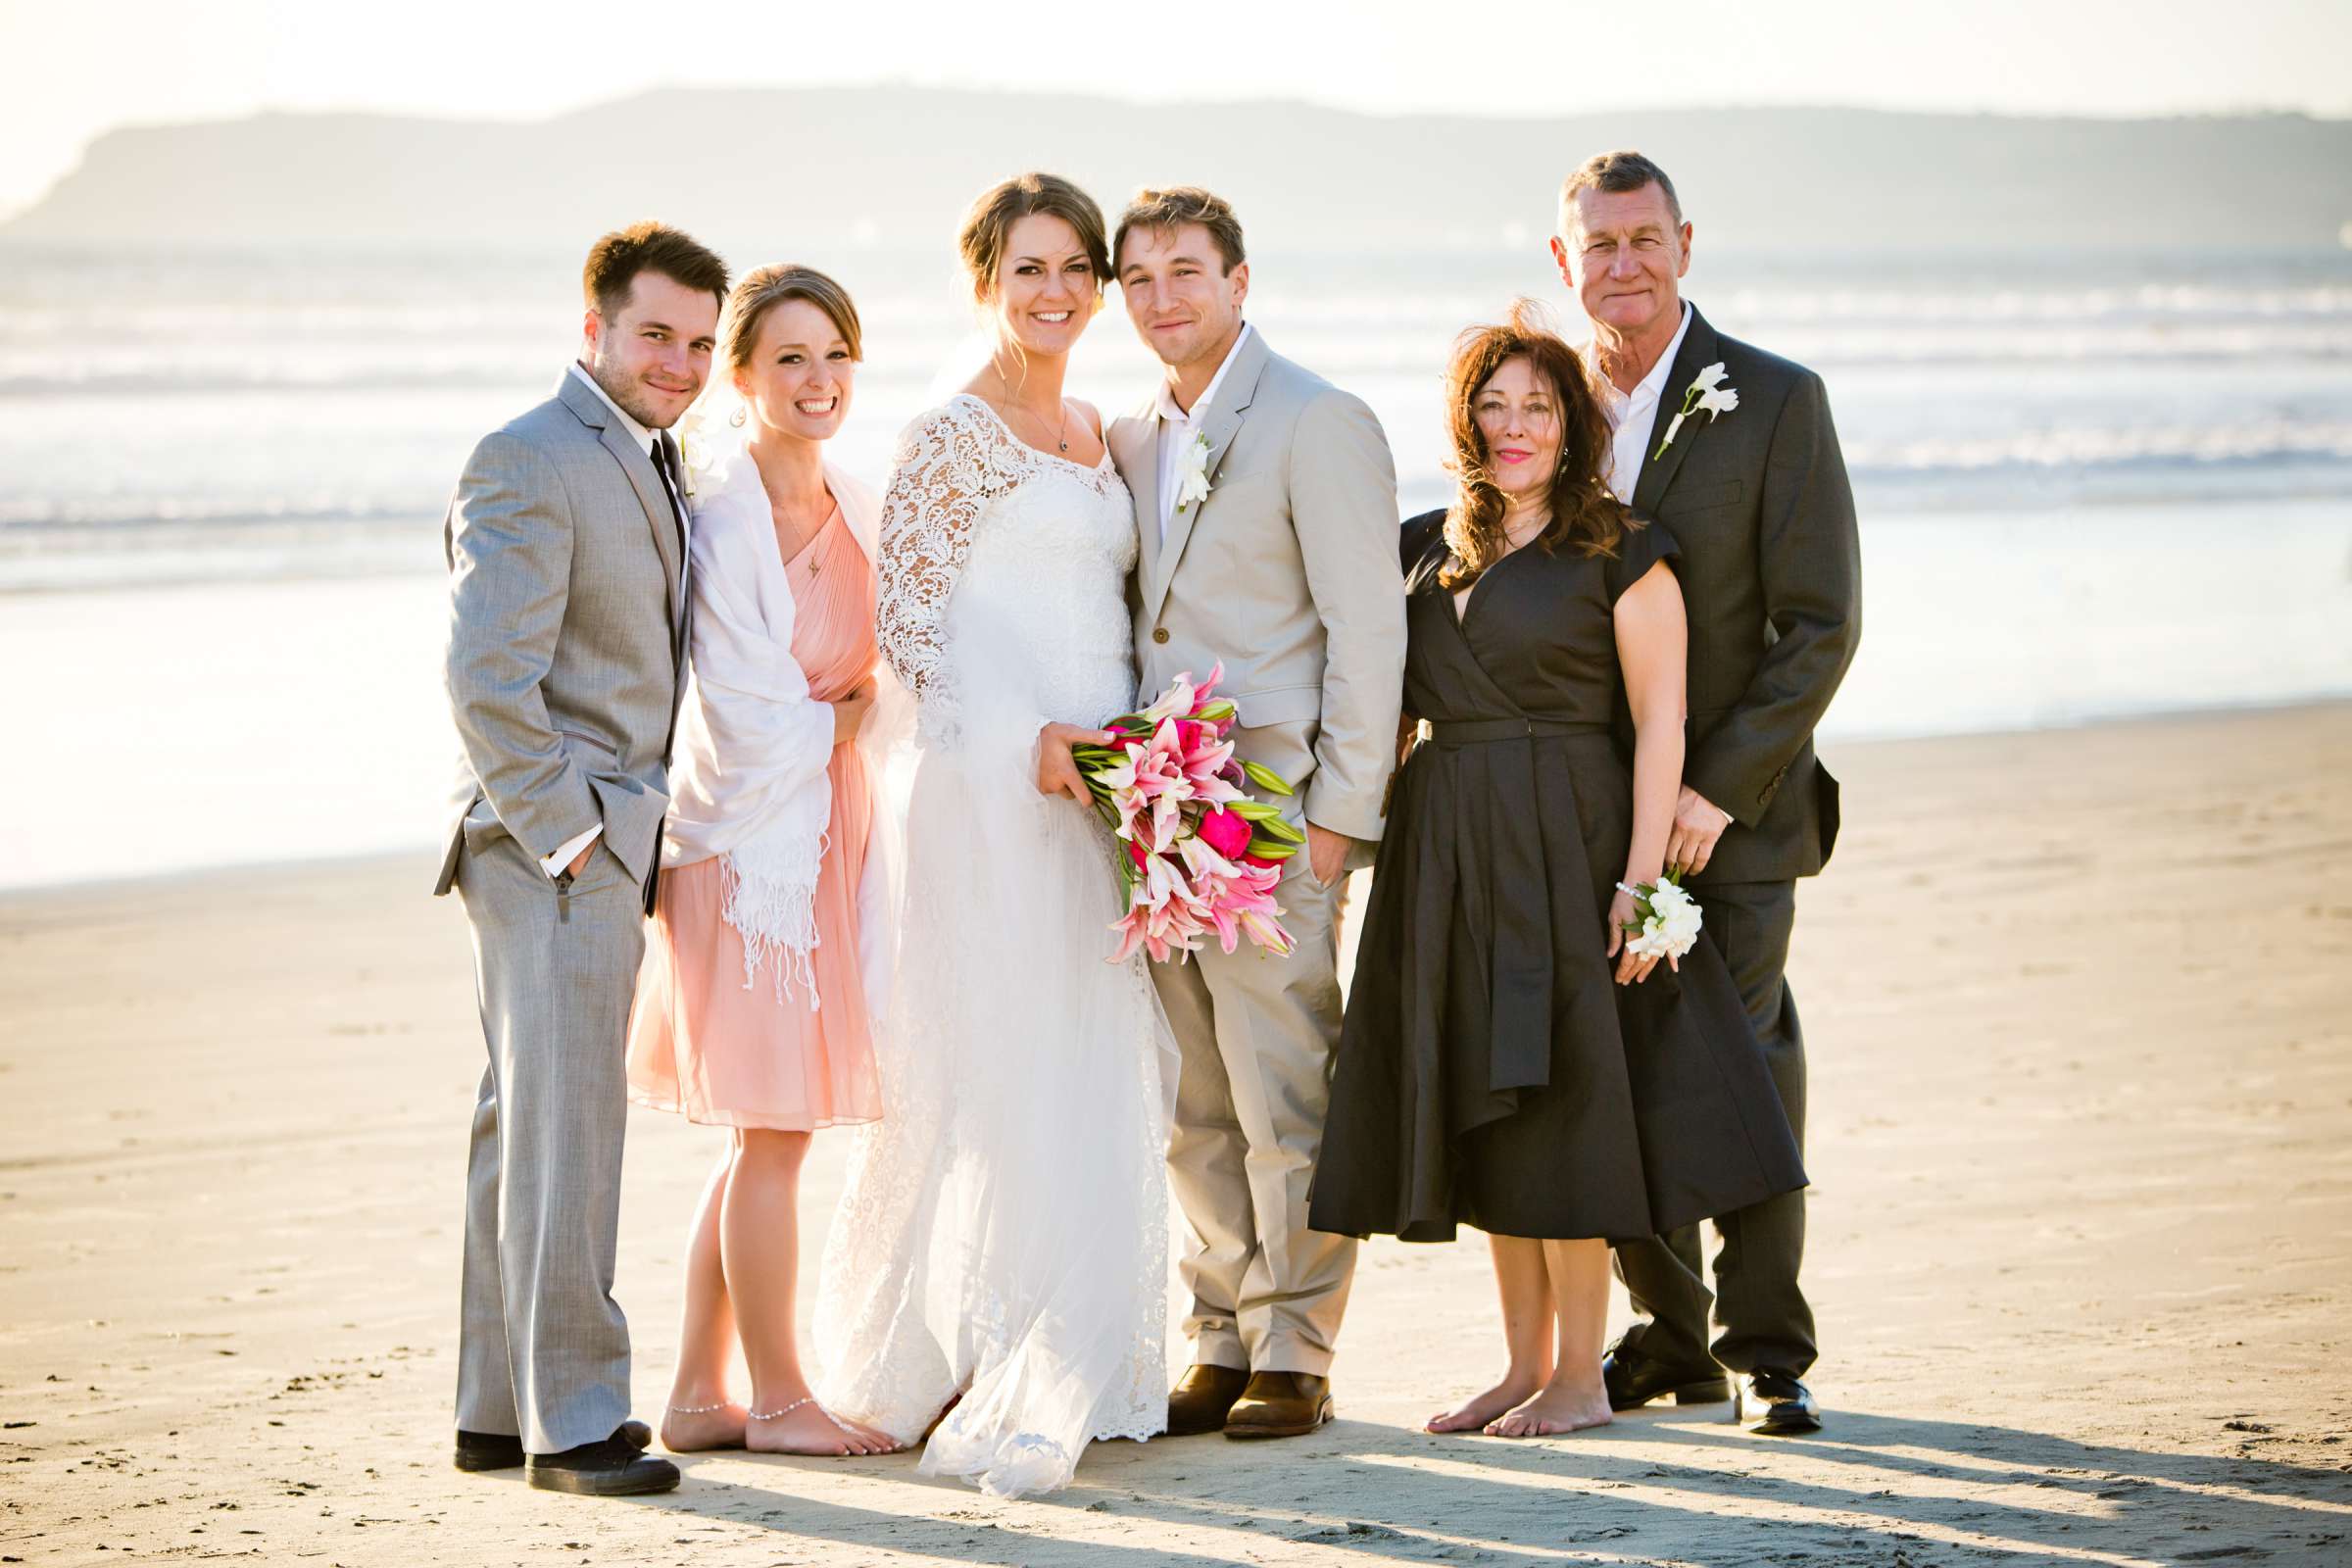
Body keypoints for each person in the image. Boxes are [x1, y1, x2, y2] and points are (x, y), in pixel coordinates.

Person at [1307, 302, 1807, 1436]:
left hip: (1567, 843)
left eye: (1537, 404)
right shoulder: (1425, 543)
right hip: (1447, 850)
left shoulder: (1622, 548)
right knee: (1491, 1110)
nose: (1514, 424)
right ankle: (1521, 1363)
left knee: (1565, 1108)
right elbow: (1379, 704)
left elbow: (1662, 728)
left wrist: (1642, 887)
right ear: (1465, 420)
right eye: (1493, 404)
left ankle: (1582, 1373)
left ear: (1572, 421)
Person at [813, 172, 1175, 1498]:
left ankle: (1086, 1343)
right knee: (990, 1061)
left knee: (1089, 1047)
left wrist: (1130, 755)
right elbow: (908, 634)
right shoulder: (949, 435)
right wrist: (1026, 740)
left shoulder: (1100, 427)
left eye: (1078, 267)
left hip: (1102, 786)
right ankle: (948, 1350)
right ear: (984, 280)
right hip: (991, 787)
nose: (1058, 291)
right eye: (1031, 268)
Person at [1554, 150, 1860, 1436]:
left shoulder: (1777, 402)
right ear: (1563, 262)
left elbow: (1819, 625)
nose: (1623, 264)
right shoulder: (1543, 408)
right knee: (1608, 1077)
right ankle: (1668, 1338)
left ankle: (1766, 1350)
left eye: (1644, 239)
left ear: (1686, 244)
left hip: (1733, 821)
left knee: (1736, 1069)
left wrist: (1716, 791)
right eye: (1599, 245)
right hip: (1578, 814)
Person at [1106, 186, 1407, 1441]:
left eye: (1187, 270)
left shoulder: (1316, 419)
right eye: (1141, 278)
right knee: (1193, 1096)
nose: (1164, 296)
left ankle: (1299, 1338)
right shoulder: (1128, 439)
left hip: (1274, 815)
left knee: (1287, 1088)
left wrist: (1342, 816)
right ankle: (1220, 1329)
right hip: (1158, 816)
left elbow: (1368, 630)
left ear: (1240, 281)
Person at [436, 221, 729, 1496]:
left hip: (586, 834)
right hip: (552, 842)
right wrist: (574, 839)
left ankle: (495, 1414)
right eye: (656, 334)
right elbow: (485, 679)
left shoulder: (647, 455)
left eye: (701, 343)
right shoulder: (531, 456)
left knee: (524, 1126)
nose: (681, 362)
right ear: (595, 328)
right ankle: (578, 1424)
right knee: (570, 1132)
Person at [623, 264, 900, 1459]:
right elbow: (740, 712)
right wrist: (843, 720)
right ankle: (779, 1398)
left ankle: (697, 1392)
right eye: (789, 358)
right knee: (774, 1132)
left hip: (826, 831)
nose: (818, 379)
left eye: (834, 352)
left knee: (763, 1135)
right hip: (746, 849)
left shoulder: (855, 493)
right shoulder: (727, 513)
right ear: (739, 376)